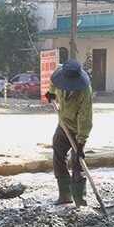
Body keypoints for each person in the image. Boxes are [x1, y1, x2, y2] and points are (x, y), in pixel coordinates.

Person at [44, 59, 93, 207]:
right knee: (58, 154)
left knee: (77, 162)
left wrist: (80, 143)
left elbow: (85, 119)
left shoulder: (84, 91)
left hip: (78, 129)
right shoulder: (59, 72)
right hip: (63, 123)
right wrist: (51, 93)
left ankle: (80, 200)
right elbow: (53, 82)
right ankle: (64, 195)